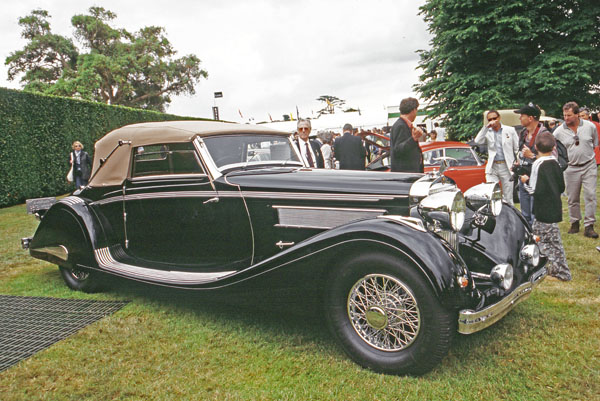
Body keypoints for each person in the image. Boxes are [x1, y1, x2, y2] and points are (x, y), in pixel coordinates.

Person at [520, 131, 571, 281]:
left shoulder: (537, 164)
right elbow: (561, 186)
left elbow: (534, 190)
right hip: (554, 207)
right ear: (554, 146)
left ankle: (556, 270)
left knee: (543, 241)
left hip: (542, 208)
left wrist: (525, 181)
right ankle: (556, 269)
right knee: (553, 240)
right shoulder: (555, 162)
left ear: (535, 147)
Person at [553, 102, 599, 238]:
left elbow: (595, 142)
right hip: (571, 168)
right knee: (572, 198)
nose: (566, 118)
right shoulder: (558, 132)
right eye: (564, 115)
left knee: (590, 195)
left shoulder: (590, 126)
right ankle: (574, 222)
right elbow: (554, 150)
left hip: (589, 164)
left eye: (569, 115)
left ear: (577, 114)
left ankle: (589, 225)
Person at [473, 110, 519, 205]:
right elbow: (477, 141)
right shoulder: (487, 131)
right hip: (493, 166)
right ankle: (495, 216)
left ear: (499, 118)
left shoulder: (510, 130)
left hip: (506, 166)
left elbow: (517, 149)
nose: (493, 121)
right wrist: (485, 128)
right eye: (490, 119)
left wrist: (518, 162)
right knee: (492, 194)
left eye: (494, 118)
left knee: (508, 197)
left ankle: (510, 217)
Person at [513, 103, 548, 226]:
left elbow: (552, 159)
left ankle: (536, 238)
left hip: (537, 179)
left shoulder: (544, 135)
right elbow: (521, 152)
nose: (519, 118)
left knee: (535, 214)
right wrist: (519, 161)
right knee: (525, 214)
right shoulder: (523, 133)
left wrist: (532, 156)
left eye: (522, 115)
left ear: (530, 118)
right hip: (523, 176)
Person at [390, 97, 424, 173]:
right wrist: (414, 139)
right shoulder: (401, 126)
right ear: (413, 110)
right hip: (406, 174)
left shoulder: (402, 125)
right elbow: (398, 150)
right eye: (416, 110)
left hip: (408, 174)